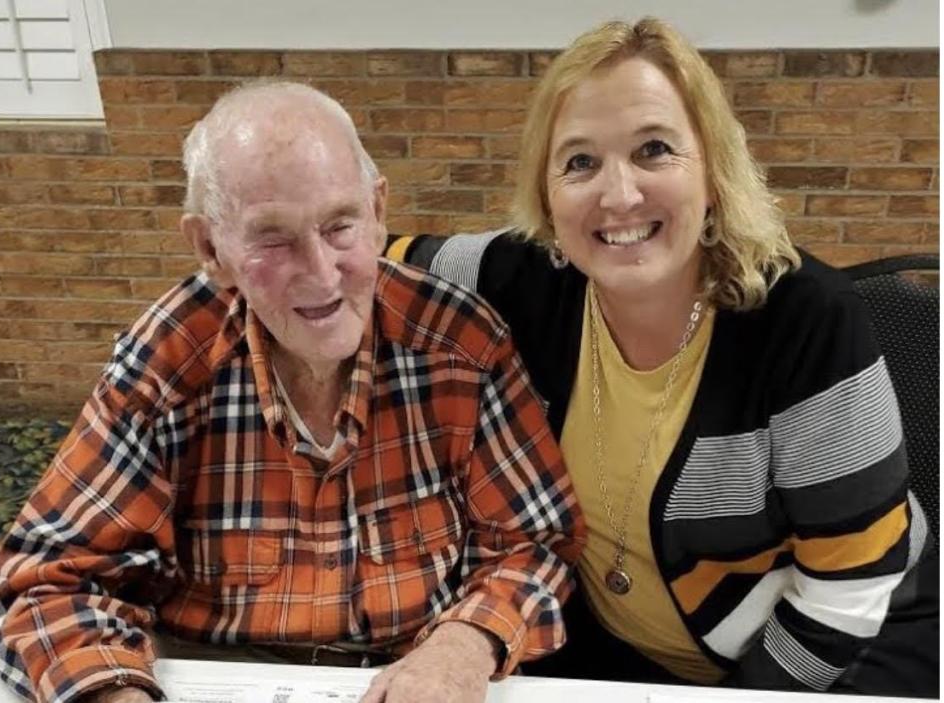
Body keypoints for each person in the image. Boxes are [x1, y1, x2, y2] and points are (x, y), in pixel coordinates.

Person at [0, 81, 586, 703]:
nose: (321, 273)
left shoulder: (461, 344)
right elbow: (45, 584)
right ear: (211, 249)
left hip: (413, 669)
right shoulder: (166, 362)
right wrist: (117, 694)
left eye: (340, 226)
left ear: (378, 212)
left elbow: (534, 541)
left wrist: (462, 646)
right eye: (273, 239)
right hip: (212, 675)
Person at [387, 17, 937, 697]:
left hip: (852, 648)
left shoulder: (805, 319)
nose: (618, 195)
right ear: (547, 197)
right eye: (580, 161)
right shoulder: (526, 278)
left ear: (712, 171)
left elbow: (847, 592)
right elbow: (365, 256)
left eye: (653, 149)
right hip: (632, 660)